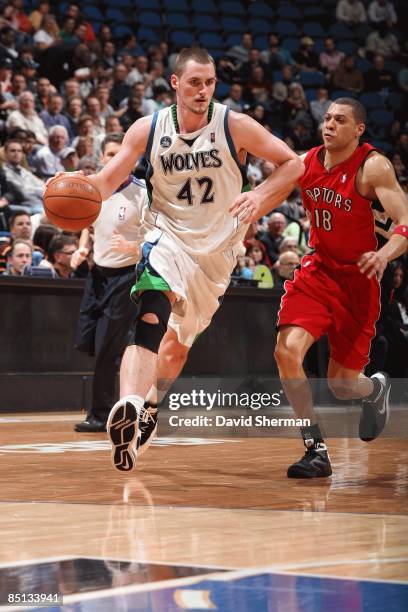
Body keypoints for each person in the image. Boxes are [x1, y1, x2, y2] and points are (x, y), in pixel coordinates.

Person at [56, 47, 302, 471]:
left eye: (209, 82)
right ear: (175, 84)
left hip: (218, 250)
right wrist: (79, 186)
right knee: (152, 306)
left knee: (175, 349)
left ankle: (148, 408)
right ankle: (129, 405)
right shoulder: (147, 129)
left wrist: (260, 195)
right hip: (166, 233)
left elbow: (292, 164)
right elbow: (107, 179)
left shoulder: (235, 125)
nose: (203, 90)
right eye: (194, 82)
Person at [274, 98, 408, 478]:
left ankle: (374, 391)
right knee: (287, 352)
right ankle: (314, 448)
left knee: (342, 384)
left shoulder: (373, 167)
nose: (329, 125)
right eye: (327, 118)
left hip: (359, 282)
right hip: (318, 271)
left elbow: (404, 221)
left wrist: (384, 254)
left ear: (359, 129)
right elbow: (271, 187)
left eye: (340, 120)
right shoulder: (306, 161)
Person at [74, 133, 147, 432]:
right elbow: (89, 221)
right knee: (87, 338)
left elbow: (161, 237)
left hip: (126, 276)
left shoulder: (142, 193)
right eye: (110, 154)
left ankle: (102, 414)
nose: (117, 159)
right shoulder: (94, 188)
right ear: (102, 158)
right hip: (97, 274)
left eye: (122, 153)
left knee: (106, 346)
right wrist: (82, 246)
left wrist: (134, 248)